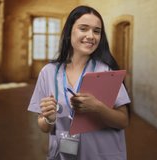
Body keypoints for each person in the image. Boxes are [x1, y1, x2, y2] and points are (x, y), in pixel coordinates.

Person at [28, 5, 131, 160]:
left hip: (101, 155)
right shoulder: (48, 72)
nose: (91, 35)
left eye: (96, 31)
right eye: (84, 28)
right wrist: (49, 118)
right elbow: (43, 126)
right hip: (63, 155)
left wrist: (97, 107)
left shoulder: (106, 71)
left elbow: (123, 121)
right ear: (70, 32)